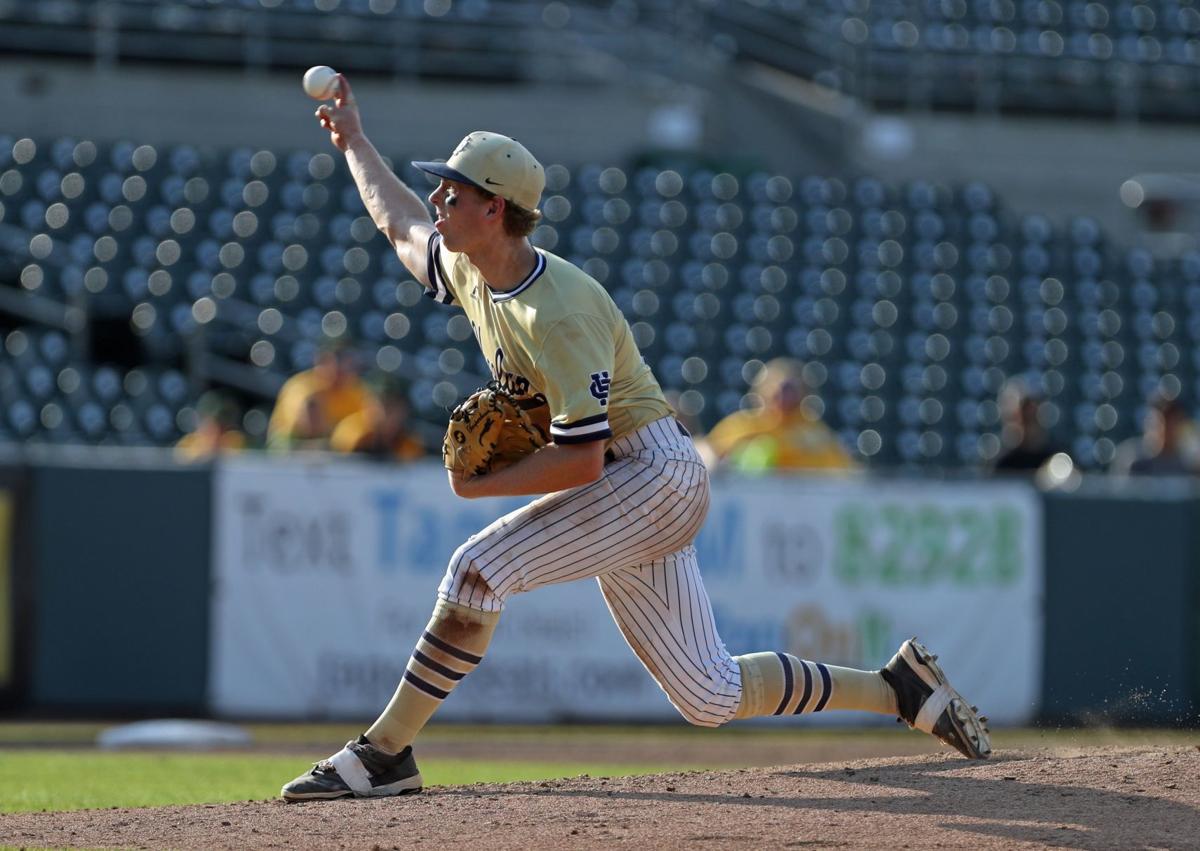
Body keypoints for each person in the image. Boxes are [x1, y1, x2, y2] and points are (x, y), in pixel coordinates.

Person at [280, 76, 991, 802]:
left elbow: (583, 459)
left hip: (651, 473)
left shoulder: (559, 312)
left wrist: (479, 485)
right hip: (634, 483)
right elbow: (399, 225)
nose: (439, 201)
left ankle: (384, 754)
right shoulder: (471, 268)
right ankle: (898, 689)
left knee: (475, 571)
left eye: (453, 192)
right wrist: (357, 144)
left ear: (495, 208)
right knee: (709, 694)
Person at [701, 358, 858, 474]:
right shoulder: (744, 424)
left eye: (789, 389)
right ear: (762, 390)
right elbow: (707, 451)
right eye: (777, 388)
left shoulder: (814, 431)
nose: (783, 396)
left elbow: (844, 470)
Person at [266, 339, 377, 451]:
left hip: (338, 455)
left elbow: (374, 424)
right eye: (336, 359)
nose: (341, 367)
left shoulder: (358, 390)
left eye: (346, 360)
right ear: (320, 361)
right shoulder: (302, 387)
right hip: (288, 450)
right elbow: (308, 426)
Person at [330, 376, 425, 461]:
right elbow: (345, 456)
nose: (390, 415)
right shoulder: (351, 429)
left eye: (395, 407)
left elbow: (412, 462)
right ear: (368, 404)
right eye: (384, 405)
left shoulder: (407, 440)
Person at [989, 380, 1065, 475]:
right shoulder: (1005, 463)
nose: (1030, 421)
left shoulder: (1057, 460)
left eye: (1033, 416)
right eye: (1025, 417)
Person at [1111, 393, 1197, 476]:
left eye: (1174, 423)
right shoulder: (1132, 458)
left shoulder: (1189, 463)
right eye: (1162, 423)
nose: (1168, 430)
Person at [174, 391, 245, 461]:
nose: (211, 431)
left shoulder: (233, 439)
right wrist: (202, 453)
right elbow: (179, 461)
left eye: (216, 425)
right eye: (207, 427)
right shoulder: (190, 442)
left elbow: (241, 460)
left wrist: (219, 452)